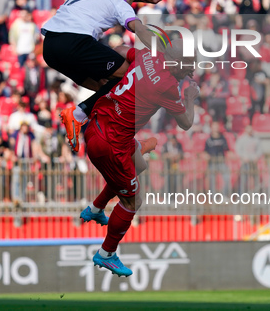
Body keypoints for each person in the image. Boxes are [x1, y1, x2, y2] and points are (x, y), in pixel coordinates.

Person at [80, 40, 199, 276]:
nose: (191, 71)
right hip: (110, 145)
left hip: (97, 124)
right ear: (175, 63)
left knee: (140, 165)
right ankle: (106, 254)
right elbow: (185, 123)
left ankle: (95, 208)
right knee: (134, 201)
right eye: (188, 66)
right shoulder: (168, 86)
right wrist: (190, 97)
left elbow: (120, 48)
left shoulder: (147, 56)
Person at [41, 0, 163, 151]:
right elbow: (139, 28)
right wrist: (161, 51)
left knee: (105, 86)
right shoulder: (121, 4)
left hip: (50, 46)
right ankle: (79, 114)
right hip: (75, 41)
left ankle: (94, 124)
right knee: (129, 76)